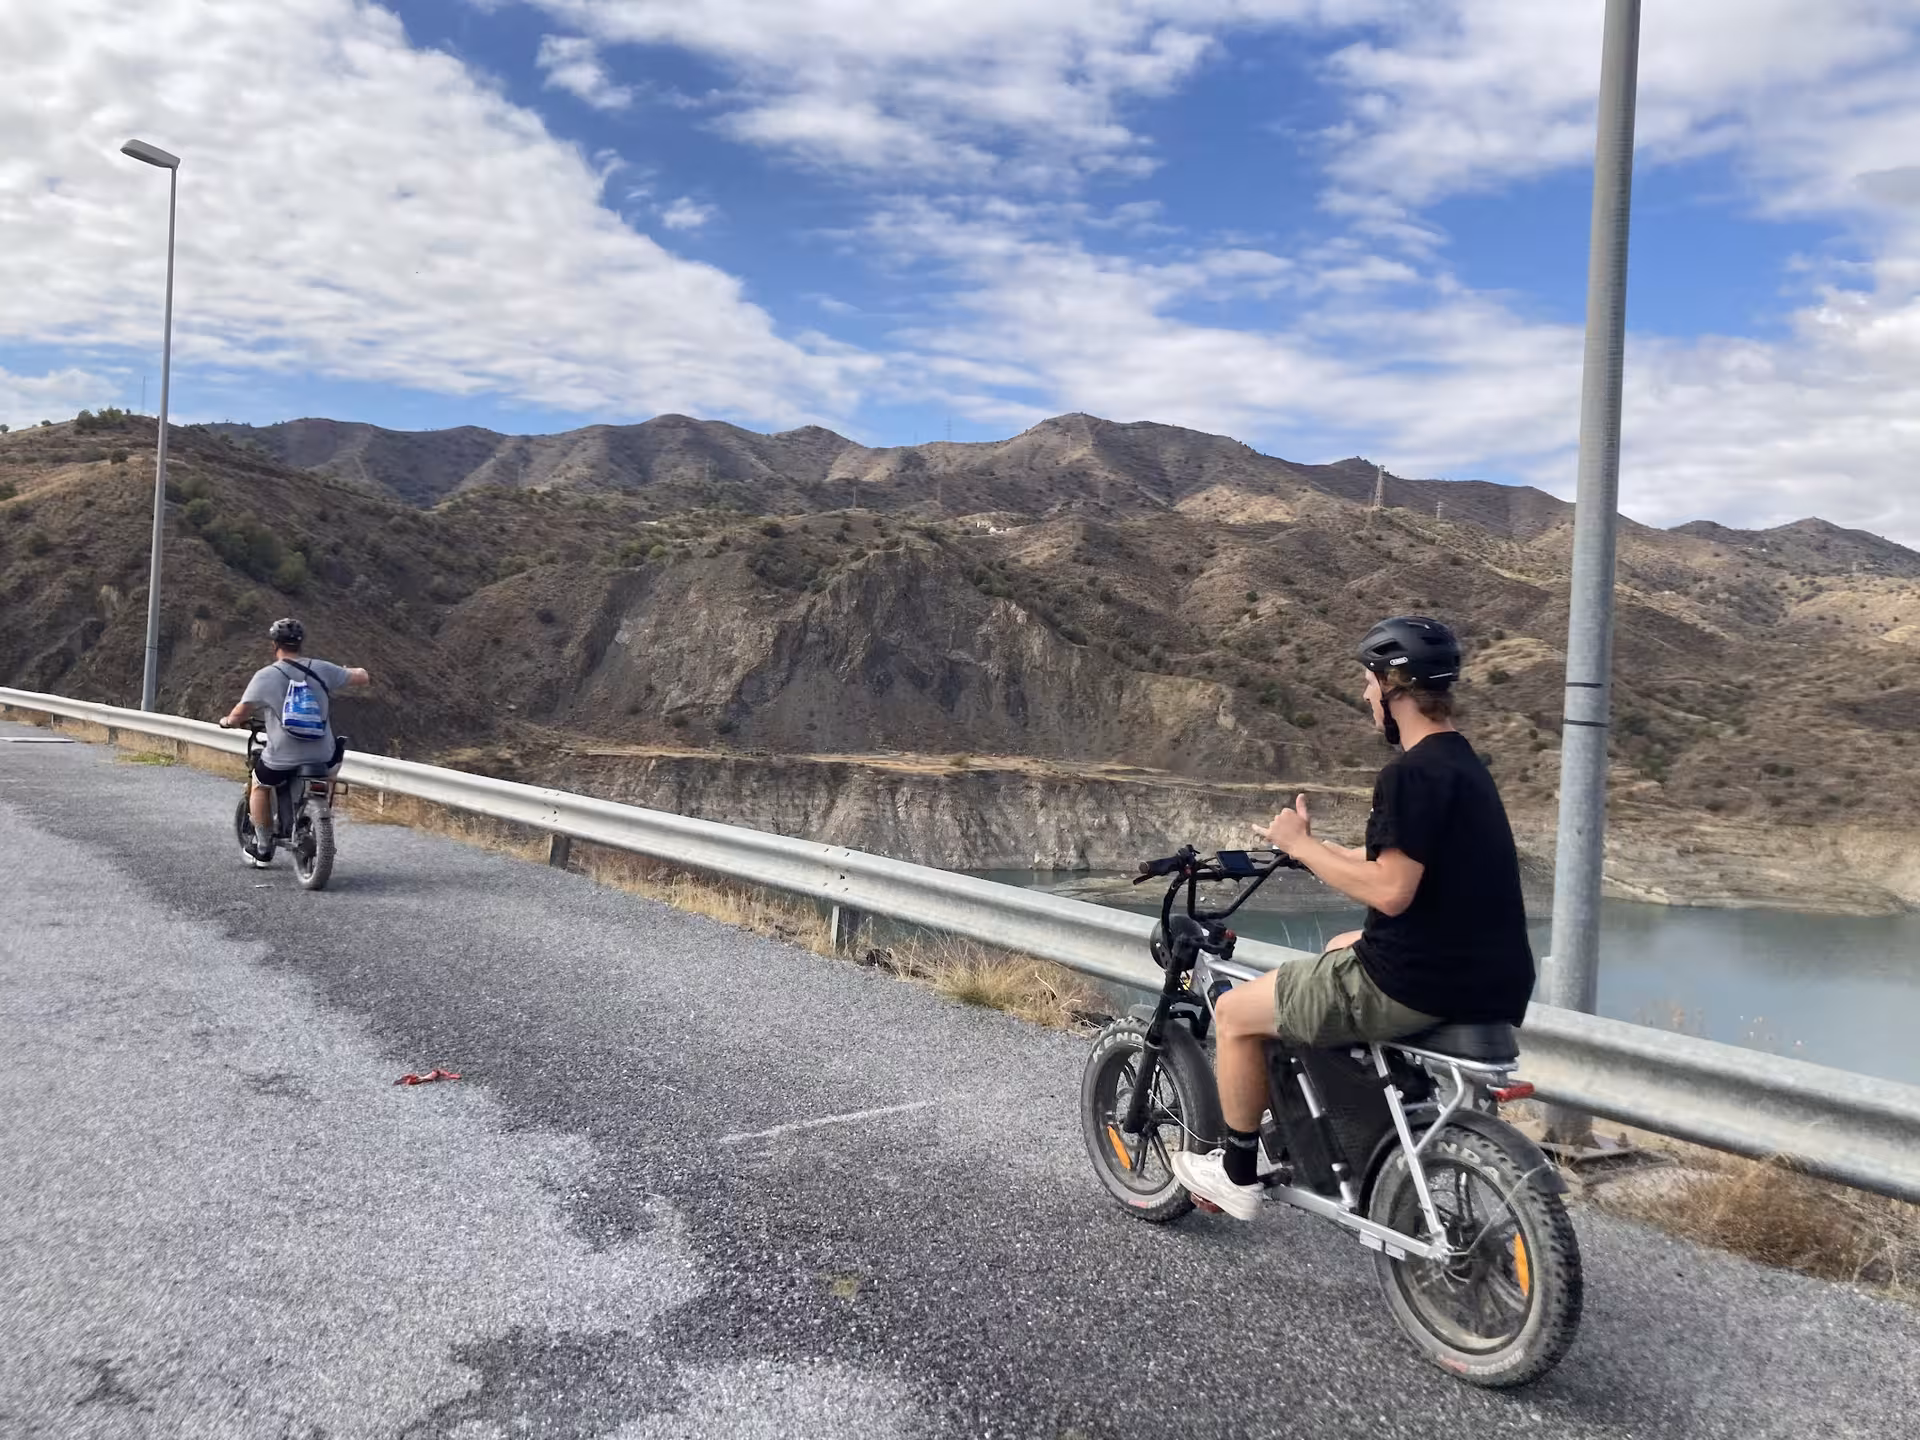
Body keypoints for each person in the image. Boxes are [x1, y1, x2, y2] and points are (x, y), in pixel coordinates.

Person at [1170, 614, 1535, 1220]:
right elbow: (1398, 861)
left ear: (1395, 686)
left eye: (1369, 682)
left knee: (1235, 1013)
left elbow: (1391, 891)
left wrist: (1303, 844)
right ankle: (1345, 1120)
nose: (1366, 694)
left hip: (1419, 980)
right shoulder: (1463, 765)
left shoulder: (1407, 775)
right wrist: (1309, 849)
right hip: (1491, 976)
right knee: (1343, 942)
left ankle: (1233, 1173)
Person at [218, 618, 369, 866]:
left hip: (281, 758)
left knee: (259, 784)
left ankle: (264, 847)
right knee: (328, 775)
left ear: (274, 645)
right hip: (323, 756)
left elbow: (239, 715)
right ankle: (317, 814)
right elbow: (362, 677)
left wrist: (227, 722)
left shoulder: (265, 676)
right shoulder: (323, 669)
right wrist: (347, 670)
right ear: (301, 644)